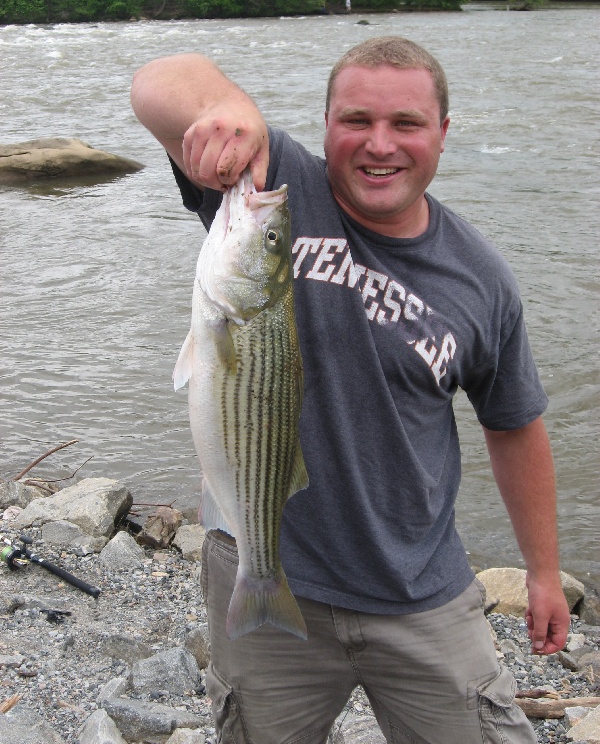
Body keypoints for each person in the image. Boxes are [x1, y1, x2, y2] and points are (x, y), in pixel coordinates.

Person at [130, 36, 570, 744]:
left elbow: (515, 424)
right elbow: (159, 82)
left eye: (406, 124)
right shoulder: (278, 192)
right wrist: (230, 114)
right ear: (326, 124)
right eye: (357, 120)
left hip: (418, 590)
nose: (380, 145)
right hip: (263, 563)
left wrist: (543, 572)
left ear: (444, 135)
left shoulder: (480, 279)